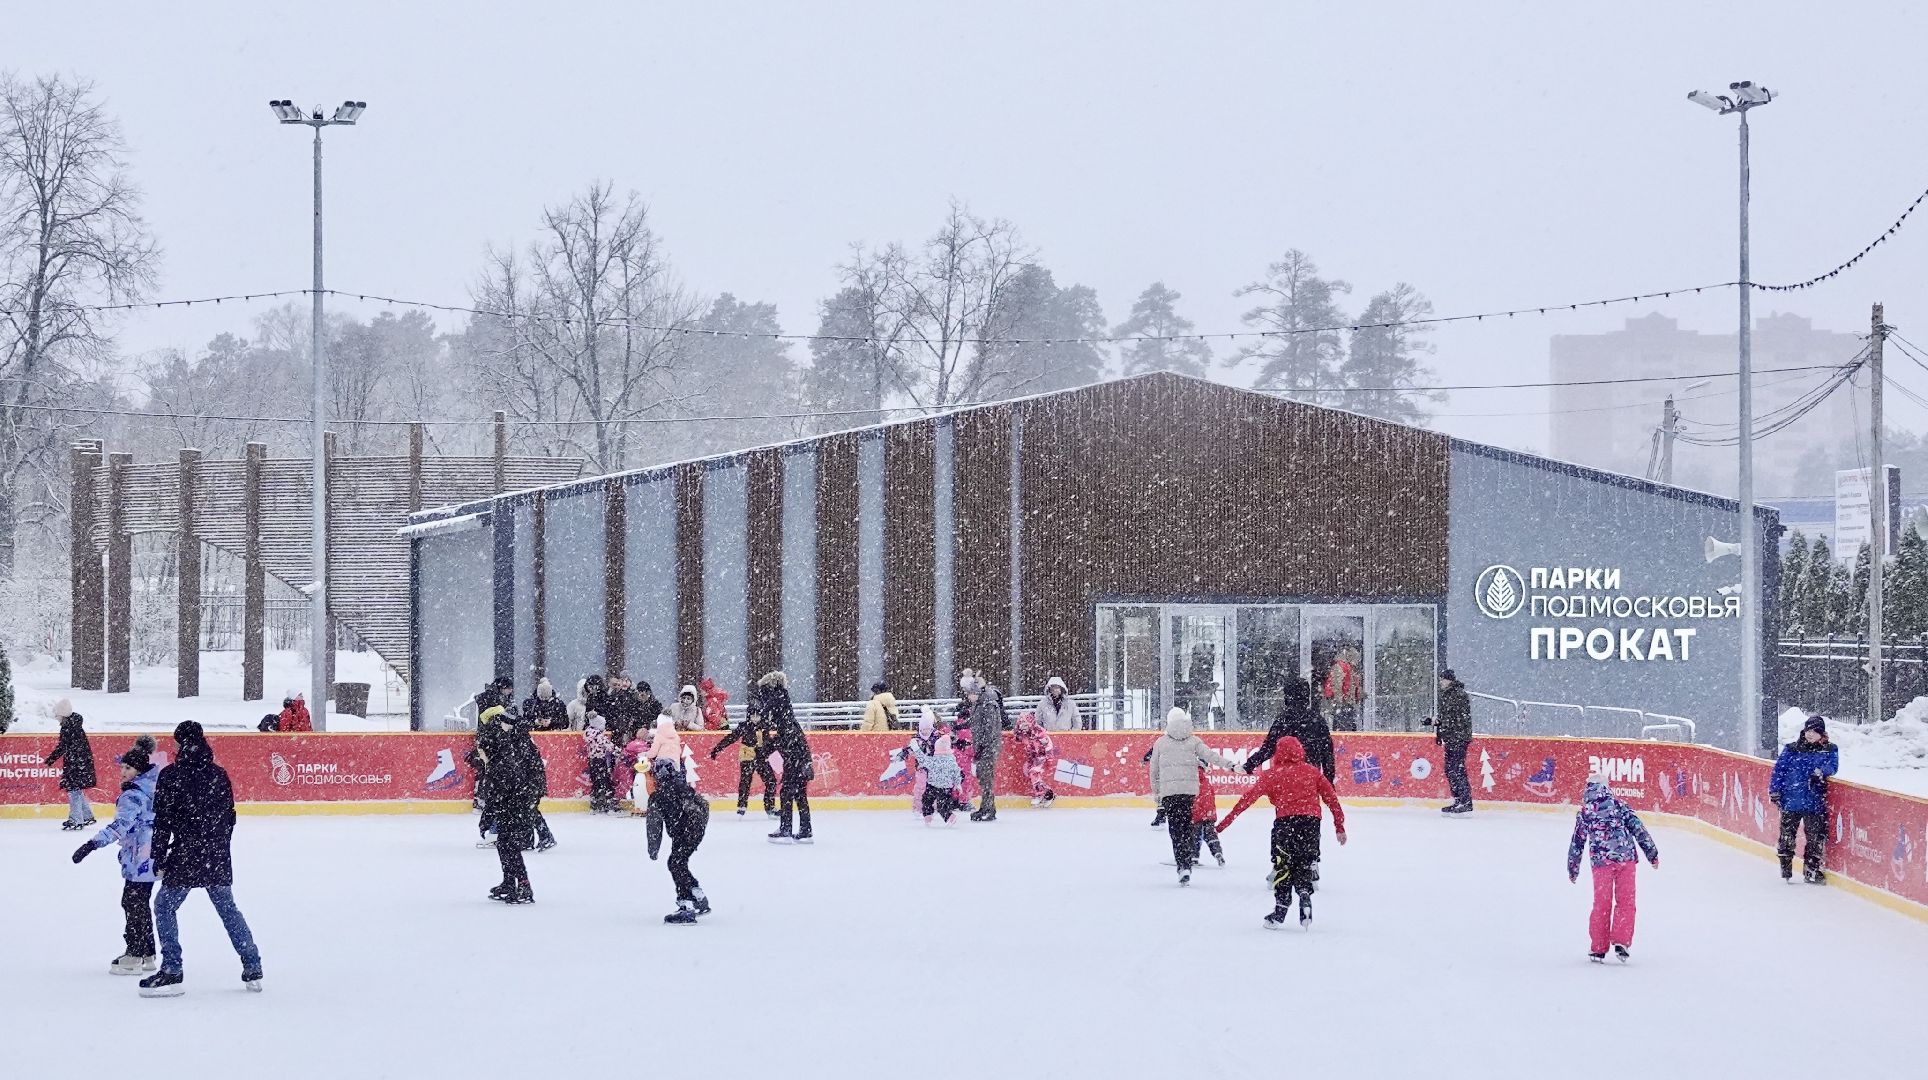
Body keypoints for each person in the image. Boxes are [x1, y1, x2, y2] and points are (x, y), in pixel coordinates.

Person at [141, 721, 263, 997]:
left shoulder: (171, 775)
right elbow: (230, 817)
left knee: (163, 906)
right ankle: (252, 964)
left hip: (186, 854)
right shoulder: (219, 774)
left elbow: (163, 821)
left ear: (180, 744)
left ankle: (172, 968)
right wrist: (217, 847)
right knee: (227, 909)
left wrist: (159, 857)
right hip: (215, 855)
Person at [1216, 736, 1346, 929]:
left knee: (1283, 864)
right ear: (1300, 751)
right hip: (1311, 824)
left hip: (1285, 823)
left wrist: (1222, 825)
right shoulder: (1312, 772)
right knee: (1304, 861)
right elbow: (1332, 799)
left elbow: (1246, 800)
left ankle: (1280, 909)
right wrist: (1339, 826)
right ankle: (1304, 895)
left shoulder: (1272, 774)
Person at [73, 736, 160, 975]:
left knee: (132, 903)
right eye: (122, 766)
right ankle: (147, 954)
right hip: (151, 855)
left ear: (139, 770)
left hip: (138, 856)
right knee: (139, 903)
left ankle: (134, 956)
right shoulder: (152, 788)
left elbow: (119, 826)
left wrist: (92, 844)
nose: (122, 771)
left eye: (128, 768)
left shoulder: (133, 795)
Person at [1567, 771, 1660, 962]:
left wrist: (1572, 868)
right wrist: (1652, 854)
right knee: (1626, 902)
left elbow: (1577, 842)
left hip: (1601, 863)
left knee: (1601, 904)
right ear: (1607, 788)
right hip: (1626, 859)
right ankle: (1621, 941)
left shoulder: (1586, 813)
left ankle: (1598, 948)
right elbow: (1639, 829)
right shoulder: (1620, 806)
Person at [1146, 706, 1234, 885]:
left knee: (1176, 831)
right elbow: (1210, 756)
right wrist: (1230, 764)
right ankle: (1187, 862)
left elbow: (1153, 770)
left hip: (1170, 794)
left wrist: (1157, 793)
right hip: (1188, 793)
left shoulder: (1160, 743)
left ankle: (1182, 865)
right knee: (1187, 828)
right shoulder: (1193, 740)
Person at [478, 706, 542, 904]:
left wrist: (487, 816)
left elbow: (498, 792)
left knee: (510, 845)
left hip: (518, 803)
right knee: (505, 844)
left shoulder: (503, 758)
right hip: (516, 802)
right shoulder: (503, 750)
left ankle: (524, 885)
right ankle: (509, 882)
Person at [1770, 716, 1839, 885]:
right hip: (1791, 799)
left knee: (1815, 837)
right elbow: (1779, 770)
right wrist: (1774, 790)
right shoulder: (1792, 749)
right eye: (1808, 730)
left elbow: (1833, 766)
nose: (1810, 734)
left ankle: (1812, 870)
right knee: (1787, 835)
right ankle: (1785, 865)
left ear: (1821, 734)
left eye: (1814, 732)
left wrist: (1821, 771)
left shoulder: (1829, 749)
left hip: (1814, 801)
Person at [648, 759, 712, 924]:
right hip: (692, 831)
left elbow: (654, 827)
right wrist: (698, 831)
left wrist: (653, 849)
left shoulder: (657, 796)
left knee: (676, 863)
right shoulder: (684, 789)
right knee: (678, 863)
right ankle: (697, 895)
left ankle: (686, 906)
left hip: (682, 832)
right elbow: (704, 806)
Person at [1244, 676, 1333, 782]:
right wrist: (1329, 782)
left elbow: (1268, 749)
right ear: (1307, 697)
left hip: (1286, 780)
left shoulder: (1283, 720)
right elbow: (1327, 755)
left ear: (1287, 697)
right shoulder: (1317, 720)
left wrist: (1250, 764)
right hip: (1310, 779)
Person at [760, 672, 814, 844]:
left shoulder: (777, 704)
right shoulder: (785, 706)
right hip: (799, 754)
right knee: (799, 793)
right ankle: (805, 830)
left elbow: (766, 715)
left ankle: (786, 829)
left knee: (786, 792)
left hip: (793, 755)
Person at [958, 670, 1008, 821]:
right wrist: (960, 727)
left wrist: (984, 747)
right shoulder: (978, 705)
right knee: (982, 777)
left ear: (976, 692)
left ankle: (989, 810)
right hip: (982, 747)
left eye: (969, 694)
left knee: (986, 779)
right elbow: (975, 723)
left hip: (989, 747)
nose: (968, 697)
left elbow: (991, 729)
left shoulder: (988, 705)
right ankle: (986, 807)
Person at [44, 699, 97, 830]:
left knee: (73, 790)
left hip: (76, 763)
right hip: (80, 763)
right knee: (76, 789)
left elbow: (63, 746)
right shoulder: (75, 725)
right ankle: (86, 816)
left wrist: (51, 759)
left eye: (58, 716)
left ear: (62, 715)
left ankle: (76, 820)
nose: (57, 719)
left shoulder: (68, 728)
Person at [1428, 669, 1475, 814]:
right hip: (1452, 737)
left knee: (1456, 769)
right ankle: (1459, 800)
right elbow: (1447, 717)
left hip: (1458, 738)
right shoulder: (1448, 695)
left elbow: (1454, 718)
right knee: (1451, 769)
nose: (1441, 682)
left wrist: (1437, 722)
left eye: (1442, 680)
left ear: (1449, 680)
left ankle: (1465, 801)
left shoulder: (1457, 695)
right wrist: (1438, 729)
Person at [910, 732, 964, 825]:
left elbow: (922, 759)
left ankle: (929, 816)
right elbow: (956, 772)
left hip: (933, 786)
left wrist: (915, 748)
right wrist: (958, 784)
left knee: (927, 801)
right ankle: (948, 816)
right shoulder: (951, 760)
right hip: (945, 788)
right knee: (941, 805)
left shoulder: (934, 760)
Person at [1011, 711, 1056, 807]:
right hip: (1033, 757)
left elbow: (1048, 745)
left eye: (1025, 724)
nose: (1023, 727)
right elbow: (1016, 738)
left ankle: (1039, 794)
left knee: (1033, 772)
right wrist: (1018, 730)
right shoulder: (1023, 734)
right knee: (1031, 774)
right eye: (1021, 724)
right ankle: (1047, 793)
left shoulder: (1038, 732)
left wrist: (1049, 758)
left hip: (1042, 756)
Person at [582, 716, 620, 814]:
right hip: (600, 761)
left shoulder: (587, 733)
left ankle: (594, 805)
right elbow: (609, 746)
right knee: (605, 782)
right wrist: (619, 752)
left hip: (592, 761)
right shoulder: (599, 736)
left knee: (595, 783)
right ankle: (609, 805)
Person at [1322, 646, 1364, 732]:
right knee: (1344, 729)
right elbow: (1337, 686)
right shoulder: (1341, 667)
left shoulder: (1348, 667)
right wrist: (1340, 702)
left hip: (1346, 704)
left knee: (1347, 728)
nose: (1356, 661)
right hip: (1343, 704)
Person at [1193, 766, 1225, 868]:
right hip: (1209, 813)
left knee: (1195, 836)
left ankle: (1193, 857)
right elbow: (1211, 796)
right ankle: (1217, 852)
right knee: (1211, 835)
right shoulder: (1206, 782)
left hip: (1196, 814)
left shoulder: (1190, 782)